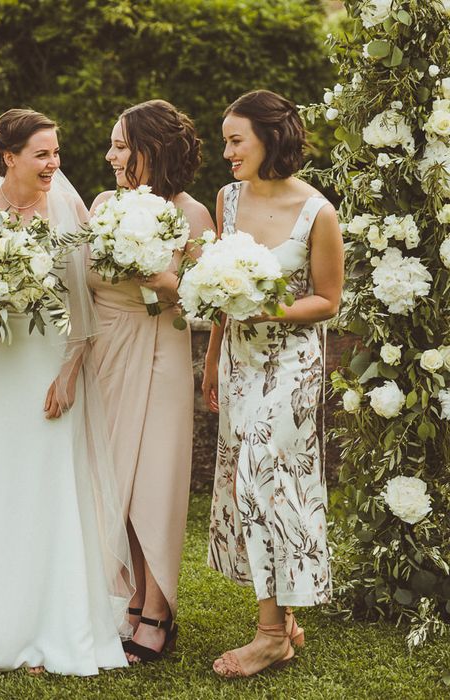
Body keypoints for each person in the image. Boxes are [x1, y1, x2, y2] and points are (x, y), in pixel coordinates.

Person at [0, 109, 133, 677]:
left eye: (57, 153)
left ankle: (55, 624)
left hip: (49, 364)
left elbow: (82, 307)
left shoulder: (68, 211)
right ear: (10, 156)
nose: (54, 164)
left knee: (49, 487)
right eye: (42, 154)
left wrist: (69, 372)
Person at [202, 89, 343, 678]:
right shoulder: (227, 200)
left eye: (237, 140)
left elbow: (328, 300)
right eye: (227, 140)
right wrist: (211, 359)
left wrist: (268, 311)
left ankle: (268, 637)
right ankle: (285, 619)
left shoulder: (318, 212)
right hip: (238, 360)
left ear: (270, 139)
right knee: (253, 480)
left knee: (264, 469)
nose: (227, 151)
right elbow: (216, 289)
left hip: (292, 365)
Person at [88, 99, 214, 663]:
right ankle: (132, 600)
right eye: (113, 144)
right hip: (108, 353)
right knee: (115, 479)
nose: (111, 155)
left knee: (155, 481)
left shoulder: (194, 215)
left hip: (162, 349)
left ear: (153, 149)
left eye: (121, 144)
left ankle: (159, 609)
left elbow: (203, 299)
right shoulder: (102, 204)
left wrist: (150, 270)